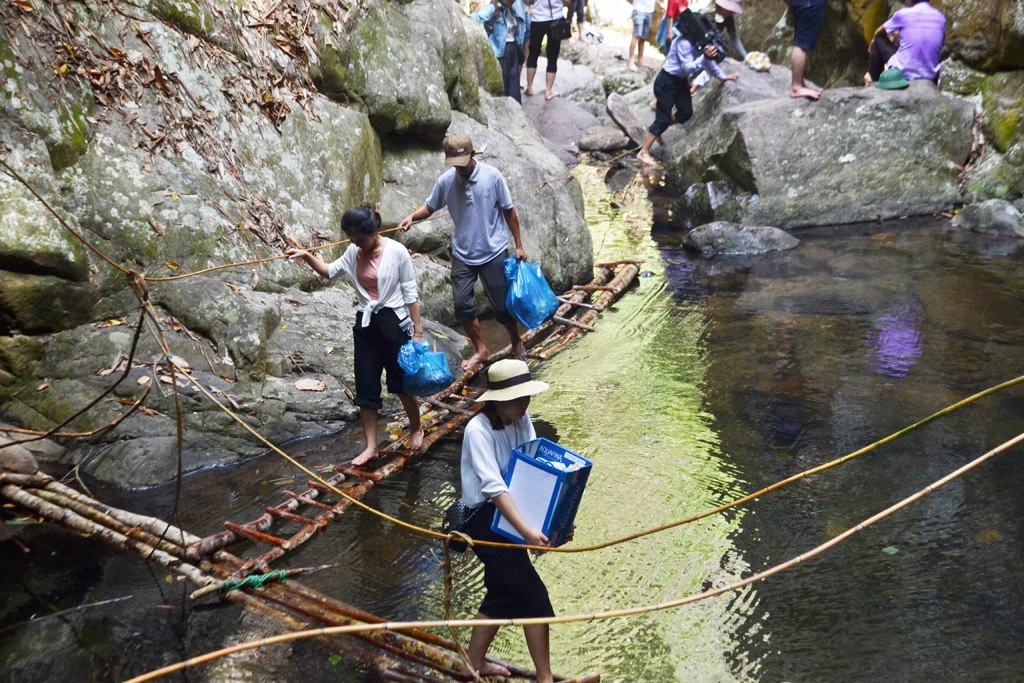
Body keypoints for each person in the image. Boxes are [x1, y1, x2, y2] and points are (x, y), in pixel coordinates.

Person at [285, 207, 425, 468]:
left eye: (360, 239)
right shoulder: (353, 251)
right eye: (351, 239)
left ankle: (416, 428)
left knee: (400, 382)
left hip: (393, 322)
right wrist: (306, 256)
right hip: (366, 324)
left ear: (375, 232)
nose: (356, 244)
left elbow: (410, 292)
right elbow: (329, 272)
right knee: (366, 384)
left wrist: (417, 332)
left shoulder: (396, 252)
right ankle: (371, 446)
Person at [458, 358, 556, 682]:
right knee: (532, 595)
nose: (524, 403)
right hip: (483, 517)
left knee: (502, 591)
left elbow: (530, 470)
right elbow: (495, 488)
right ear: (498, 399)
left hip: (512, 509)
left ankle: (472, 663)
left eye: (525, 396)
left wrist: (550, 524)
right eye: (517, 397)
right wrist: (527, 531)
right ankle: (544, 677)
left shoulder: (521, 418)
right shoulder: (478, 431)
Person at [399, 133, 527, 371]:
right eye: (454, 165)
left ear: (473, 155)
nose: (459, 169)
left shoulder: (493, 177)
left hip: (493, 250)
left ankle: (515, 341)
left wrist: (519, 245)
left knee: (502, 304)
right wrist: (412, 218)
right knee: (462, 305)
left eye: (462, 163)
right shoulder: (447, 181)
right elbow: (430, 206)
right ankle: (482, 349)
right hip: (463, 253)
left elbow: (509, 211)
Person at [636, 31, 740, 166]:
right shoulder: (684, 43)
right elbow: (687, 67)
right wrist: (704, 56)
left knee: (686, 113)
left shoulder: (700, 46)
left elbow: (710, 64)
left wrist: (723, 77)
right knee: (663, 119)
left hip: (681, 82)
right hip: (666, 81)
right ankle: (643, 152)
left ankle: (658, 130)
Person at [865, 0, 946, 85]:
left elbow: (879, 32)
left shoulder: (903, 14)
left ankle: (874, 83)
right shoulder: (941, 18)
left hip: (903, 74)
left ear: (910, 1)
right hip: (931, 77)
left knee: (878, 41)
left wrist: (873, 40)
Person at [472, 0, 529, 102]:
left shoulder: (518, 5)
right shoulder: (494, 6)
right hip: (500, 52)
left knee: (514, 86)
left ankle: (516, 112)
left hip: (513, 49)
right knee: (504, 87)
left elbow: (526, 26)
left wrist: (523, 54)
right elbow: (476, 18)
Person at [525, 0, 567, 100]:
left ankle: (529, 88)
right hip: (556, 20)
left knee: (533, 53)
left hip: (537, 20)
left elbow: (527, 1)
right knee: (552, 56)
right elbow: (568, 2)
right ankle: (548, 91)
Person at [786, 0, 826, 100]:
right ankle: (797, 87)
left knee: (801, 40)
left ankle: (800, 83)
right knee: (802, 44)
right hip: (809, 4)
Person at [627, 0, 656, 72]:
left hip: (649, 11)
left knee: (643, 38)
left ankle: (640, 60)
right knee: (636, 35)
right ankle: (630, 61)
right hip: (639, 10)